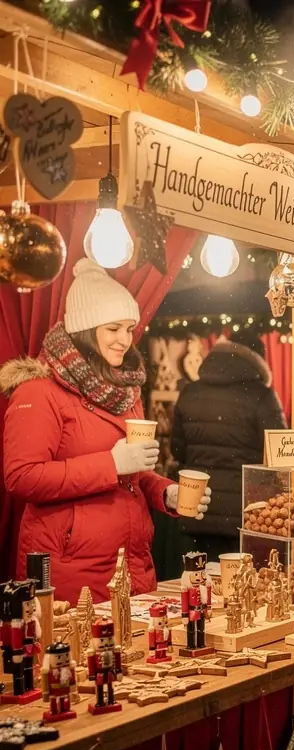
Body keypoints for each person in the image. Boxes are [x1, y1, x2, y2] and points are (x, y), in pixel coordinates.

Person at [1, 258, 209, 603]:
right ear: (85, 328)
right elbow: (22, 477)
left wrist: (165, 493)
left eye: (129, 329)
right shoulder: (39, 391)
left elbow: (134, 475)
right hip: (71, 570)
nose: (124, 340)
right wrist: (110, 464)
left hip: (131, 562)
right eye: (114, 329)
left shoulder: (124, 390)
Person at [171, 327, 285, 559]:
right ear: (258, 362)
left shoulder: (190, 392)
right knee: (238, 586)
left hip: (198, 507)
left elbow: (177, 449)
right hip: (243, 512)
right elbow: (278, 452)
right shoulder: (261, 395)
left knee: (198, 583)